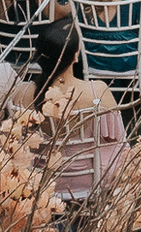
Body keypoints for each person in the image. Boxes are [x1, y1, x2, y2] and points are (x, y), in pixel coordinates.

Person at [12, 21, 128, 196]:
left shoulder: (21, 94)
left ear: (39, 56)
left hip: (39, 178)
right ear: (75, 57)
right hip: (90, 178)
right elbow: (117, 139)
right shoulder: (97, 91)